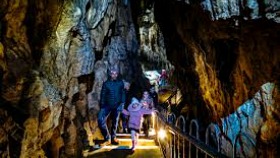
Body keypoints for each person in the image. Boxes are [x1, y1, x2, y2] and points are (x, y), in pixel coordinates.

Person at [97, 68, 126, 146]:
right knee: (100, 120)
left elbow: (123, 93)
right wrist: (102, 105)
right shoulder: (106, 83)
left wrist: (122, 104)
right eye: (112, 73)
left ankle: (113, 138)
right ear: (110, 74)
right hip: (107, 105)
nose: (114, 75)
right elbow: (103, 95)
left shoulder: (120, 83)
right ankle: (107, 138)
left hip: (117, 105)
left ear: (117, 74)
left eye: (115, 73)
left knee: (115, 122)